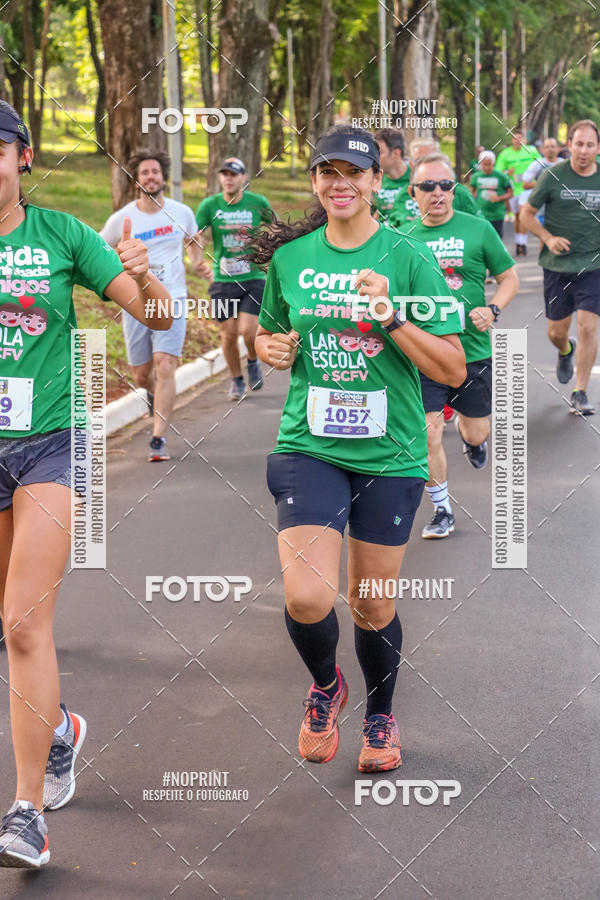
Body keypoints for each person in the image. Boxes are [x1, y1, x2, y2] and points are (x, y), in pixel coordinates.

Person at [251, 125, 465, 772]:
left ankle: (379, 712)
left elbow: (453, 368)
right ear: (316, 182)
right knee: (308, 598)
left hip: (391, 453)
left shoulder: (409, 258)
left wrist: (391, 317)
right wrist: (272, 348)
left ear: (377, 182)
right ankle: (324, 686)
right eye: (327, 173)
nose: (340, 184)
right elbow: (269, 334)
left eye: (354, 173)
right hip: (308, 446)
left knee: (371, 602)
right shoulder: (292, 261)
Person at [0, 100, 172, 868]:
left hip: (51, 447)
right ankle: (62, 728)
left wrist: (148, 278)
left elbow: (162, 318)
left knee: (23, 625)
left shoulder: (62, 235)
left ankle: (27, 812)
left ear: (22, 158)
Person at [400, 153, 518, 538]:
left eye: (445, 185)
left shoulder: (478, 229)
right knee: (428, 433)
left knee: (476, 432)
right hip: (425, 353)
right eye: (428, 186)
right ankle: (442, 510)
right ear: (412, 192)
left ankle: (472, 442)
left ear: (455, 190)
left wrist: (493, 309)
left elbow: (509, 276)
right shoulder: (401, 237)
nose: (438, 193)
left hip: (473, 352)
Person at [100, 149, 204, 462]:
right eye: (144, 172)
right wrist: (112, 278)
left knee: (164, 364)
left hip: (173, 298)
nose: (150, 177)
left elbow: (194, 237)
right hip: (136, 302)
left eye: (155, 172)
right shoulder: (122, 219)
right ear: (136, 180)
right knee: (142, 373)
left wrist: (197, 262)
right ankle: (149, 394)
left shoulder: (181, 211)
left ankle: (158, 437)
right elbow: (97, 248)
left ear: (163, 176)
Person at [520, 119, 600, 415]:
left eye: (590, 145)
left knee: (589, 326)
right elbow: (526, 214)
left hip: (593, 266)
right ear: (570, 146)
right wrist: (548, 238)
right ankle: (566, 351)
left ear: (597, 148)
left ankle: (580, 392)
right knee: (556, 332)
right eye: (578, 144)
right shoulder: (553, 176)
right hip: (557, 266)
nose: (583, 150)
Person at [195, 158, 275, 400]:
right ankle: (237, 380)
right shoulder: (210, 205)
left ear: (243, 178)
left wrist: (269, 253)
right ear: (220, 178)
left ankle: (252, 360)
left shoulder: (257, 202)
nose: (228, 178)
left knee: (248, 331)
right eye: (224, 174)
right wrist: (197, 260)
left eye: (233, 174)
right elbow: (193, 235)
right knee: (228, 334)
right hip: (222, 280)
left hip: (253, 278)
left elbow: (277, 227)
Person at [389, 137, 478, 228]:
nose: (427, 164)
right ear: (411, 164)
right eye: (420, 160)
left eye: (432, 158)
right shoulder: (403, 195)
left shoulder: (460, 192)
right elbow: (393, 229)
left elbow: (477, 227)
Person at [496, 131, 540, 255]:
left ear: (524, 140)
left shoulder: (531, 151)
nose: (518, 141)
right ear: (512, 140)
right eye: (515, 139)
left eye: (520, 138)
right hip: (513, 189)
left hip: (527, 188)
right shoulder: (506, 154)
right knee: (516, 216)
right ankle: (518, 242)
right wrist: (507, 172)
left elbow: (541, 164)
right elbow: (498, 172)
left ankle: (523, 244)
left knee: (522, 214)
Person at [469, 150, 513, 238]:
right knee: (482, 239)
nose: (487, 167)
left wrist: (499, 198)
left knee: (497, 239)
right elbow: (471, 194)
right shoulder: (475, 177)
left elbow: (510, 193)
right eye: (484, 165)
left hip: (497, 214)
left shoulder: (502, 177)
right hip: (481, 214)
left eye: (489, 164)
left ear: (494, 163)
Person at [520, 137, 560, 225]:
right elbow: (525, 185)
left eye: (553, 146)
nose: (550, 149)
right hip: (542, 210)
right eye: (547, 147)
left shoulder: (564, 164)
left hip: (560, 210)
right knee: (545, 237)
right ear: (542, 149)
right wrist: (542, 184)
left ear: (558, 148)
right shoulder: (537, 165)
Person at [372, 128, 410, 222]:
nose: (374, 158)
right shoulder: (374, 180)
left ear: (396, 153)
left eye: (379, 153)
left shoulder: (418, 179)